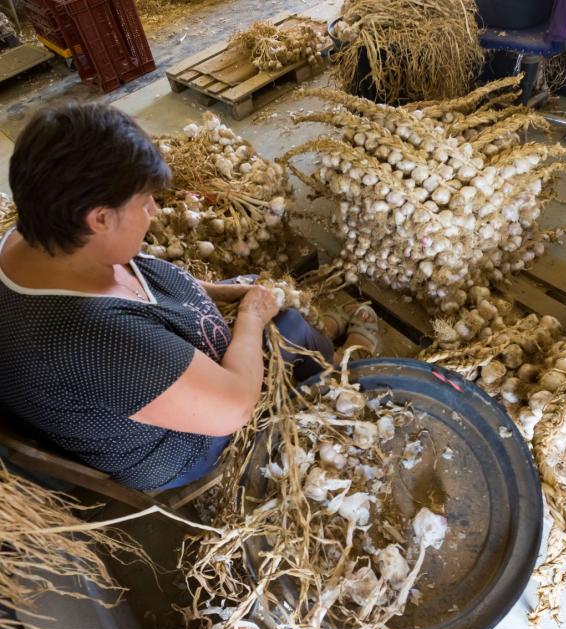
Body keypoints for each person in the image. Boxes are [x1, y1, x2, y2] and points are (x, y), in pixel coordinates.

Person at [0, 103, 379, 492]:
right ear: (99, 218)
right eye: (143, 201)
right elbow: (233, 407)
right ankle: (343, 373)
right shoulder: (91, 338)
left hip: (137, 377)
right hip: (179, 445)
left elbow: (135, 281)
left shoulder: (34, 236)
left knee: (264, 296)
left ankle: (322, 353)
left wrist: (217, 291)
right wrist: (249, 316)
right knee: (288, 327)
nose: (154, 211)